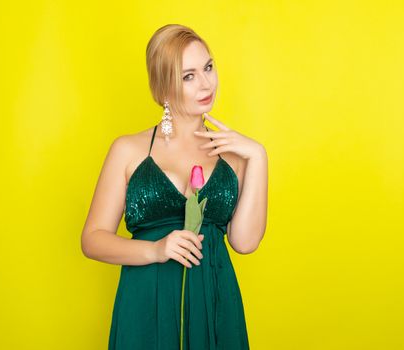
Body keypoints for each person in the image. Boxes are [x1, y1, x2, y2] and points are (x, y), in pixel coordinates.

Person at [81, 24, 268, 349]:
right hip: (146, 300)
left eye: (208, 67)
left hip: (214, 298)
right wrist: (155, 250)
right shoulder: (128, 150)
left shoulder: (234, 156)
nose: (206, 83)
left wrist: (259, 156)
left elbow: (244, 242)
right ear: (163, 87)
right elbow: (92, 240)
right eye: (189, 76)